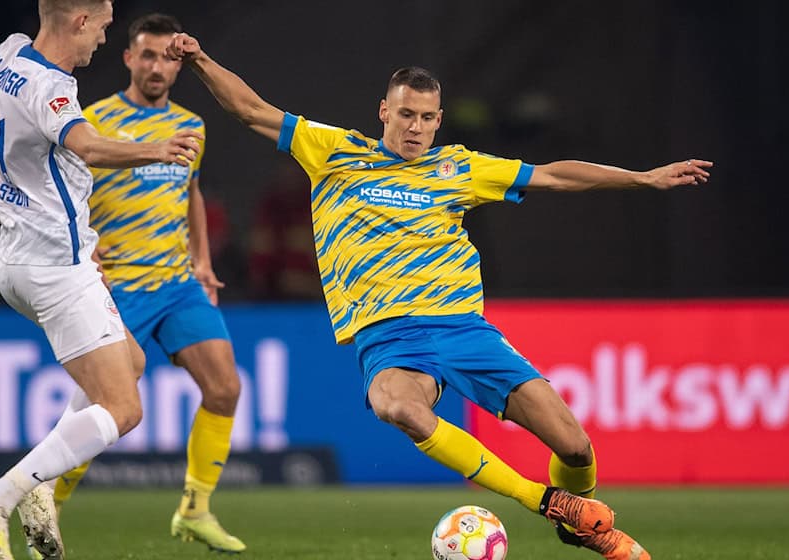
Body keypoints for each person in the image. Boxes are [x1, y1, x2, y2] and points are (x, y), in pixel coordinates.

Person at [165, 32, 714, 560]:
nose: (417, 128)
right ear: (384, 111)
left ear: (439, 121)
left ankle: (580, 517)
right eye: (406, 115)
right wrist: (200, 61)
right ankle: (544, 501)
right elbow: (251, 109)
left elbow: (553, 176)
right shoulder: (334, 150)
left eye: (428, 118)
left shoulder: (458, 168)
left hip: (465, 331)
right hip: (391, 336)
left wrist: (641, 179)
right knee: (395, 405)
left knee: (574, 447)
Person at [0, 2, 203, 559]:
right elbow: (86, 144)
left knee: (131, 362)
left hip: (14, 260)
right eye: (106, 24)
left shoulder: (7, 53)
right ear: (80, 21)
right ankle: (0, 496)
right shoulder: (50, 88)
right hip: (56, 269)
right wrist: (154, 149)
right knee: (125, 408)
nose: (105, 36)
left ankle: (40, 486)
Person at [24, 13, 246, 554]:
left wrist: (200, 257)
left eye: (166, 58)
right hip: (116, 285)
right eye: (145, 55)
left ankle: (194, 510)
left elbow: (190, 190)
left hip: (175, 283)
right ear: (127, 58)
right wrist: (85, 254)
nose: (155, 67)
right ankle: (47, 511)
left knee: (225, 387)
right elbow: (64, 196)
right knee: (105, 409)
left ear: (177, 66)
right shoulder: (91, 123)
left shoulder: (193, 125)